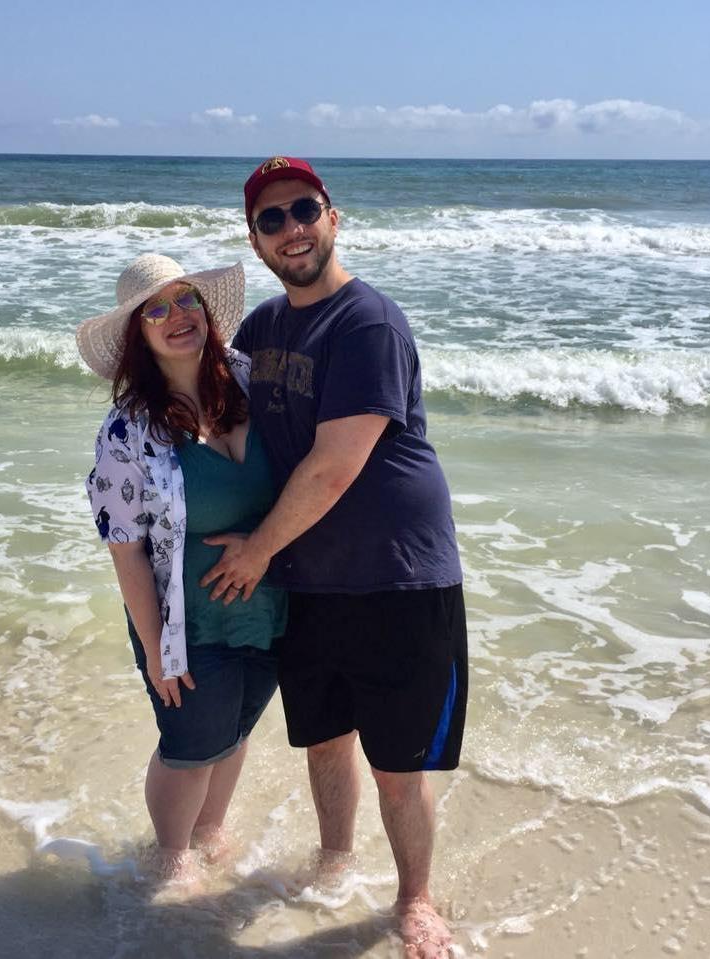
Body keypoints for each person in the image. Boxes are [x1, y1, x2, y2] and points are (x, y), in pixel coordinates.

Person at [200, 157, 468, 958]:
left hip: (397, 575)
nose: (291, 229)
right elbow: (221, 425)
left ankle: (414, 899)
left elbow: (332, 464)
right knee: (323, 739)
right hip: (309, 581)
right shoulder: (262, 329)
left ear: (333, 217)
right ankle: (333, 859)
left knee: (397, 763)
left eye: (303, 209)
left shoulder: (366, 322)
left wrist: (252, 551)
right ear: (254, 240)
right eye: (271, 219)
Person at [77, 253, 285, 880]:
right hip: (184, 623)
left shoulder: (253, 382)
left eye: (186, 299)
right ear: (138, 334)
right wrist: (156, 648)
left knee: (237, 728)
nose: (177, 317)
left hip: (272, 606)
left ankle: (211, 830)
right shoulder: (128, 429)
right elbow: (126, 551)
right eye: (156, 310)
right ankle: (168, 859)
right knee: (190, 747)